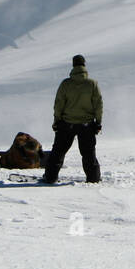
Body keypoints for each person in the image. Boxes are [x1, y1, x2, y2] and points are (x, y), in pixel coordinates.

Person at [41, 55, 103, 184]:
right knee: (88, 154)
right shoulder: (92, 84)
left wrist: (56, 121)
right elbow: (98, 104)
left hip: (66, 124)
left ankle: (50, 177)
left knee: (58, 152)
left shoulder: (66, 84)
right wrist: (98, 122)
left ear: (73, 66)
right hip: (87, 125)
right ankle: (93, 179)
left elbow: (59, 104)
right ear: (84, 65)